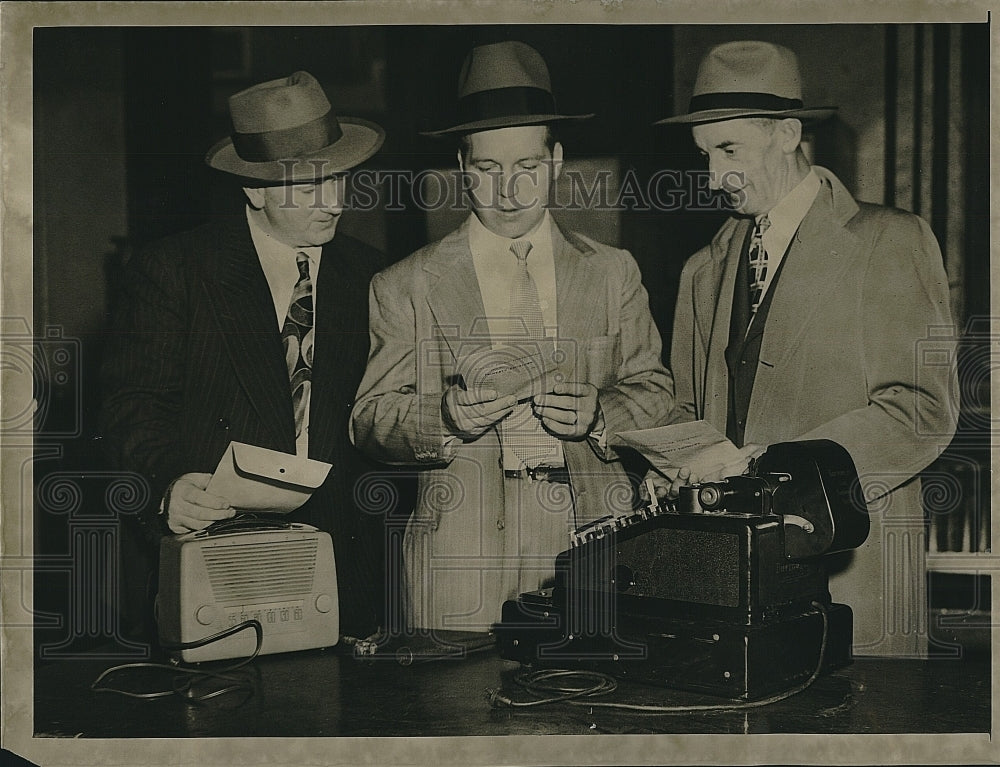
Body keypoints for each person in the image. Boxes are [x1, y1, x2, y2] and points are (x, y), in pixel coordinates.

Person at [350, 41, 673, 632]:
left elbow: (656, 394)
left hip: (592, 546)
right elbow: (368, 419)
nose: (509, 192)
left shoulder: (611, 271)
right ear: (461, 165)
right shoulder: (406, 284)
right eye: (487, 169)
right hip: (458, 559)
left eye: (526, 167)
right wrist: (446, 416)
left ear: (555, 161)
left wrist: (600, 413)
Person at [652, 41, 958, 655]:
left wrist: (776, 466)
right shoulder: (700, 270)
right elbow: (685, 412)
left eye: (730, 150)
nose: (715, 178)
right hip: (733, 582)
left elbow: (920, 410)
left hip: (854, 572)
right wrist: (666, 463)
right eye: (705, 155)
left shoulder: (888, 242)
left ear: (789, 132)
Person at [101, 71, 391, 640]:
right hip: (216, 553)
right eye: (310, 186)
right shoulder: (174, 271)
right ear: (254, 190)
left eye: (340, 181)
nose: (334, 202)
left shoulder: (371, 273)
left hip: (338, 567)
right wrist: (167, 485)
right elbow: (133, 407)